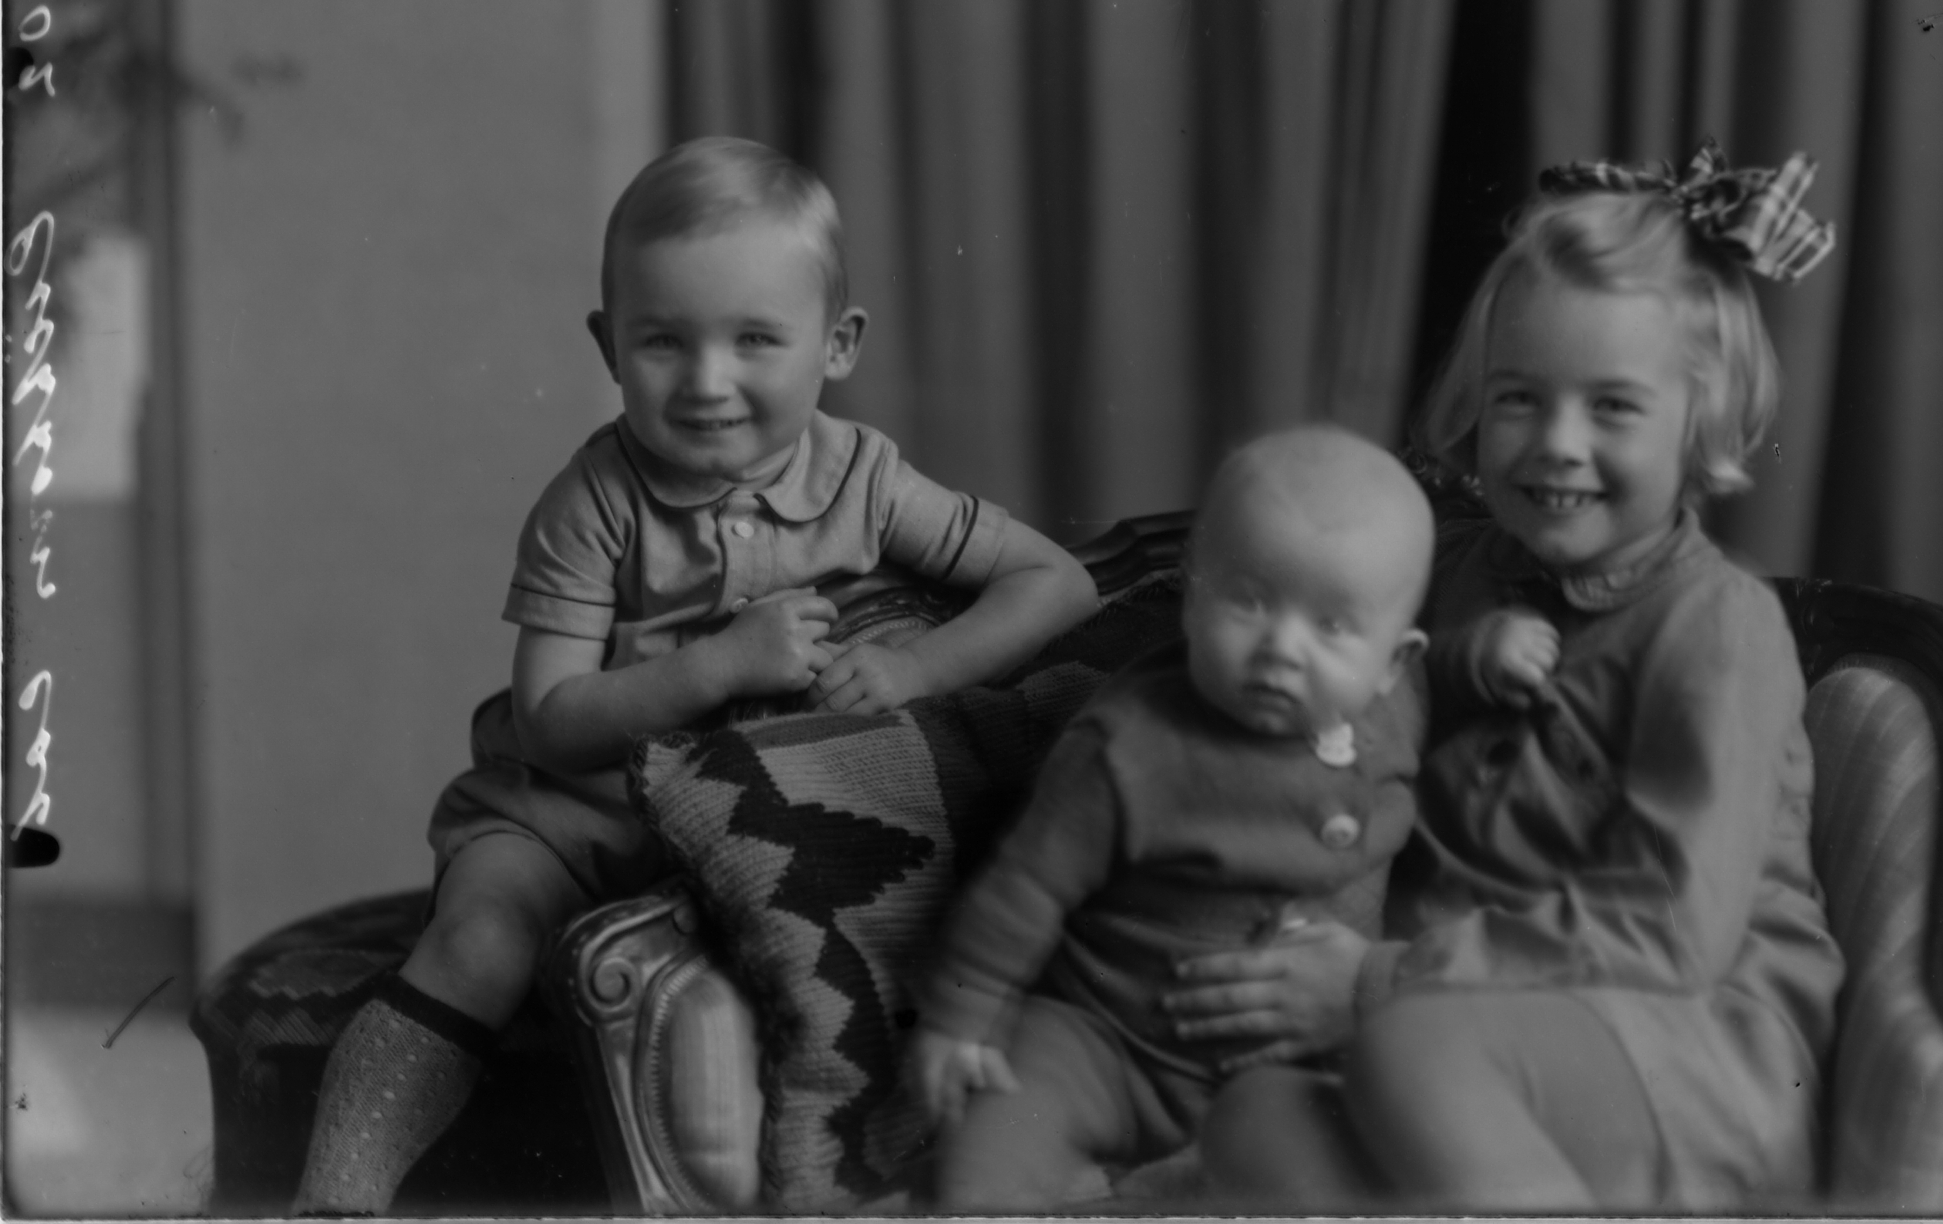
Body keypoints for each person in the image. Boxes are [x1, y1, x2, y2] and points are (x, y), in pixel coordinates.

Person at [292, 137, 1100, 1215]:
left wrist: (913, 668)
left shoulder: (865, 478)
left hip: (756, 836)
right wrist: (721, 661)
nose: (708, 382)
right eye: (663, 341)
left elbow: (1055, 582)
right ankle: (334, 1196)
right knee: (480, 940)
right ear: (607, 344)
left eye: (755, 338)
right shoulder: (592, 501)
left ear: (837, 344)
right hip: (570, 821)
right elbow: (549, 720)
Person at [1188, 142, 1847, 1212]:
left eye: (1613, 406)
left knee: (1406, 1047)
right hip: (1472, 1035)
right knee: (1251, 1117)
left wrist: (1374, 980)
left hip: (1685, 1049)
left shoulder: (1718, 626)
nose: (1556, 443)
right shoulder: (1457, 575)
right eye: (1518, 399)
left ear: (1701, 421)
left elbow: (1667, 927)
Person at [907, 425, 1434, 1211]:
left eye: (1331, 625)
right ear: (1192, 596)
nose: (1282, 648)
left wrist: (1493, 652)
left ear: (1394, 662)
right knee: (989, 1148)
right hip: (1105, 1039)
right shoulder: (1127, 746)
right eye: (1249, 600)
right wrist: (960, 1017)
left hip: (1284, 1056)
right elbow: (1024, 888)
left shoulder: (1399, 715)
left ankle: (1174, 1185)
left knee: (1346, 1159)